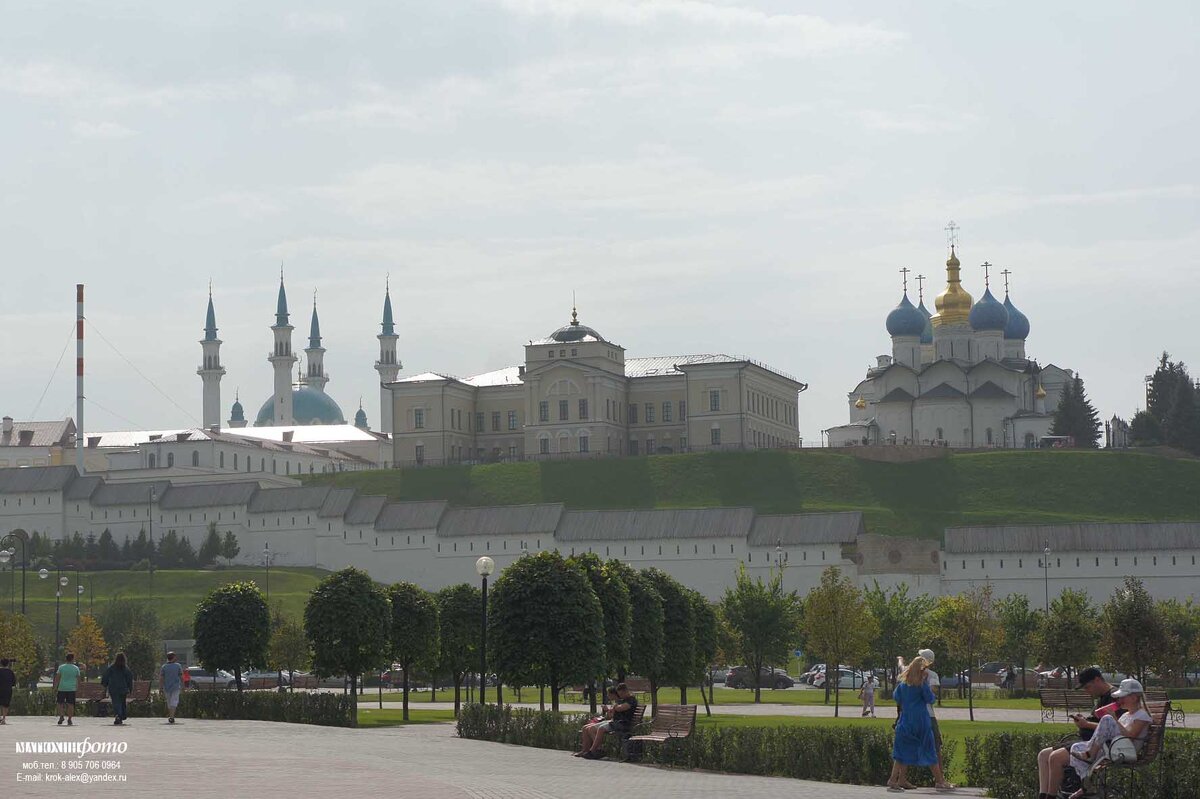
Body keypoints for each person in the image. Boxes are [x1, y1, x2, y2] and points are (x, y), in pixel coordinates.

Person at [1036, 667, 1119, 799]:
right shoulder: (1102, 697)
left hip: (1098, 745)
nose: (1087, 691)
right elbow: (1097, 721)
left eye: (1088, 687)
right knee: (1043, 755)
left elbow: (1114, 728)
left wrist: (1086, 724)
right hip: (1086, 741)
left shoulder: (1114, 697)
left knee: (1055, 758)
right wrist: (1084, 721)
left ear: (1097, 680)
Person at [1064, 679, 1152, 799]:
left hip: (1126, 750)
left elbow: (1130, 737)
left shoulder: (1142, 716)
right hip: (1114, 747)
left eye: (1122, 697)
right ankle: (1086, 785)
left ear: (1134, 697)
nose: (1119, 701)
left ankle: (1089, 754)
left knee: (1107, 719)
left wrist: (1113, 718)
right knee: (1076, 747)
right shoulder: (1126, 715)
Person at [887, 655, 954, 791]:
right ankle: (940, 781)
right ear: (922, 670)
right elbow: (931, 699)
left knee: (901, 752)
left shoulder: (903, 685)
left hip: (905, 722)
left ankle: (893, 780)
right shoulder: (921, 685)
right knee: (930, 751)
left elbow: (896, 697)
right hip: (921, 723)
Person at [579, 683, 638, 759]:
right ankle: (596, 750)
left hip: (622, 723)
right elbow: (612, 714)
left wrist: (614, 707)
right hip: (615, 721)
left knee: (601, 728)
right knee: (590, 728)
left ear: (626, 691)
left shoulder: (631, 700)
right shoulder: (623, 700)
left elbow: (621, 708)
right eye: (620, 694)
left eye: (622, 694)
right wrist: (610, 710)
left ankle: (592, 751)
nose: (621, 696)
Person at [574, 688, 620, 756]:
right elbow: (609, 716)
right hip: (609, 721)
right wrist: (606, 711)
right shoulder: (614, 703)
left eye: (608, 694)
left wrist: (607, 710)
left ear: (613, 694)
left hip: (614, 723)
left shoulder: (619, 703)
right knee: (585, 728)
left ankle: (598, 749)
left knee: (591, 728)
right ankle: (584, 750)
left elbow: (615, 716)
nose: (607, 696)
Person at [101, 652, 134, 726]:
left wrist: (104, 686)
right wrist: (130, 688)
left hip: (113, 688)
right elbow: (129, 679)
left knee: (116, 703)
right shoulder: (126, 669)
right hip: (123, 688)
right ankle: (121, 715)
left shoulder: (111, 668)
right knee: (122, 703)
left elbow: (105, 677)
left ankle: (118, 715)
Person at [54, 652, 82, 726]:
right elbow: (79, 679)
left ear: (66, 659)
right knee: (71, 704)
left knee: (60, 703)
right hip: (71, 689)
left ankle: (61, 716)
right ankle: (69, 719)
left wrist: (55, 686)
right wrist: (78, 688)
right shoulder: (76, 668)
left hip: (62, 688)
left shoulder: (61, 667)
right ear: (72, 659)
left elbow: (57, 678)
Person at [161, 652, 184, 724]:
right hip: (175, 687)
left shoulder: (164, 667)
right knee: (174, 701)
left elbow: (161, 678)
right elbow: (181, 676)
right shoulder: (178, 666)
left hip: (167, 687)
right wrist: (183, 685)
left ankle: (171, 716)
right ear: (173, 657)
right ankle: (172, 717)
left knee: (169, 701)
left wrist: (160, 688)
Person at [0, 658, 16, 725]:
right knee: (5, 705)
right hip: (7, 690)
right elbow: (13, 683)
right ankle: (3, 719)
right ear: (8, 664)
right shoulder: (11, 672)